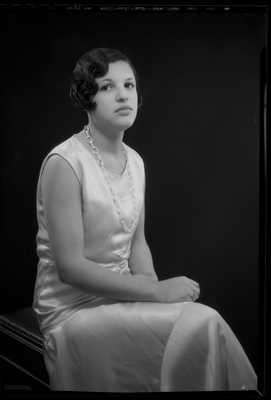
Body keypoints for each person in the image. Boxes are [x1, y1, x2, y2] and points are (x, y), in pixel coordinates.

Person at [33, 48, 257, 392]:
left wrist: (154, 298)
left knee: (198, 326)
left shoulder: (134, 160)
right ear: (86, 96)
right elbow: (70, 268)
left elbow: (137, 244)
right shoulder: (65, 163)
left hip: (121, 296)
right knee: (204, 323)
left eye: (129, 85)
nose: (123, 94)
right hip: (72, 311)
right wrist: (154, 291)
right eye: (107, 87)